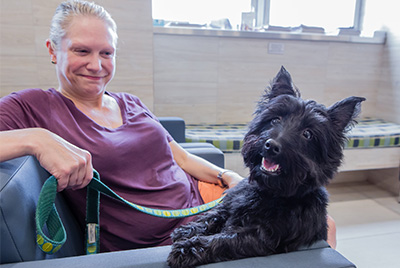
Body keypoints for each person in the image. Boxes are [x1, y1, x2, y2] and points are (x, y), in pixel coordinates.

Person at [0, 0, 336, 252]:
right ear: (53, 51)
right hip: (171, 236)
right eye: (82, 51)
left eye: (106, 53)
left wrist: (228, 178)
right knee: (314, 237)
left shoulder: (130, 102)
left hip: (207, 202)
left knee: (323, 223)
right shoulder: (32, 107)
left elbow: (181, 158)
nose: (96, 65)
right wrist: (37, 139)